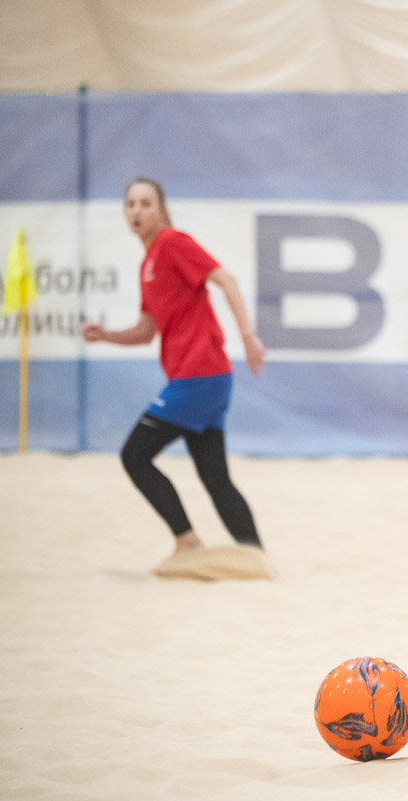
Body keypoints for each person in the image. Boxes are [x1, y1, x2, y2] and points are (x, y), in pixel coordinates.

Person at [82, 177, 268, 572]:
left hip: (197, 377)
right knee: (216, 479)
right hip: (206, 379)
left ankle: (187, 543)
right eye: (130, 204)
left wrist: (248, 335)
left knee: (134, 457)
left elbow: (227, 280)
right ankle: (258, 560)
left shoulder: (172, 242)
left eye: (145, 203)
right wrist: (106, 335)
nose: (136, 211)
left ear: (162, 210)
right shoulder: (147, 264)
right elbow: (146, 331)